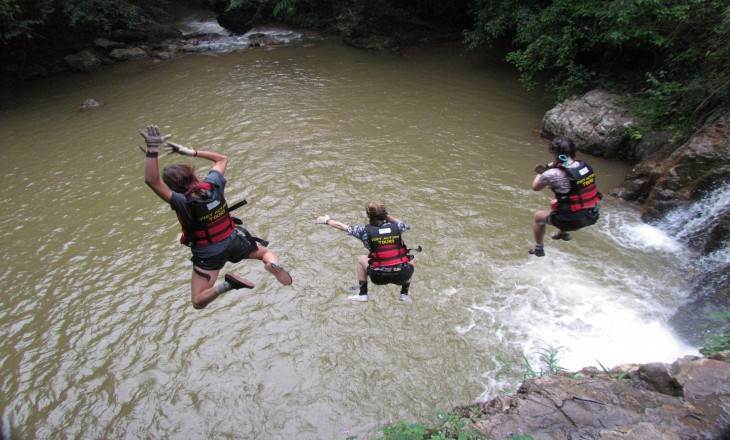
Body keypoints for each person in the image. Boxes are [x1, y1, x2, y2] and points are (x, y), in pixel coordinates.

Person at [140, 125, 292, 309]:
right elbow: (221, 159)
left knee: (198, 301)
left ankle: (228, 284)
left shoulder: (181, 201)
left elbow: (151, 180)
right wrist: (190, 152)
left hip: (209, 255)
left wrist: (152, 149)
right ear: (193, 174)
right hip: (234, 241)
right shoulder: (213, 185)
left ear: (173, 188)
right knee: (267, 253)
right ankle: (272, 265)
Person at [315, 202, 415, 303]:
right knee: (411, 259)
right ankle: (404, 293)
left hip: (378, 277)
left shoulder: (364, 231)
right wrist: (386, 215)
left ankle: (363, 294)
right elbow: (406, 226)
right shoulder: (398, 227)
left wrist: (326, 220)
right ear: (385, 214)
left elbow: (342, 227)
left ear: (368, 215)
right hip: (403, 275)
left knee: (361, 259)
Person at [530, 137, 602, 257]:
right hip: (592, 214)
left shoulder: (552, 173)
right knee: (556, 202)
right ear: (574, 151)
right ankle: (563, 233)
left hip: (571, 220)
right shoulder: (585, 167)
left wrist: (542, 171)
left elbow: (535, 187)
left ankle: (539, 248)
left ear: (554, 153)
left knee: (538, 217)